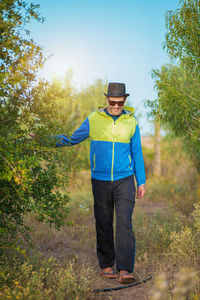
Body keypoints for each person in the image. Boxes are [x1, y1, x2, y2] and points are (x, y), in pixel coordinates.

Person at [55, 82, 146, 283]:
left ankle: (124, 269)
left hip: (125, 180)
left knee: (124, 223)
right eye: (112, 102)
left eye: (119, 103)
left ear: (124, 101)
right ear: (106, 99)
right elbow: (72, 139)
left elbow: (137, 153)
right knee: (104, 223)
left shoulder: (131, 122)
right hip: (100, 180)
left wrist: (141, 181)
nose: (115, 106)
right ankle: (106, 265)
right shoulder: (93, 119)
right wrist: (44, 139)